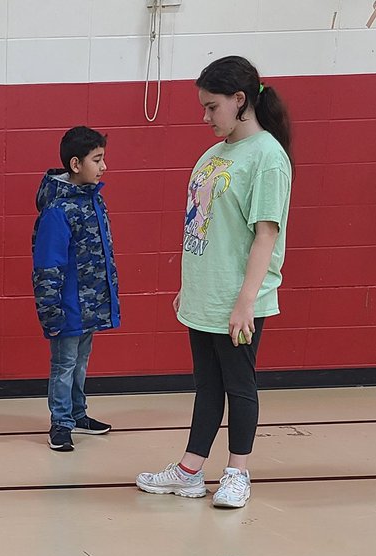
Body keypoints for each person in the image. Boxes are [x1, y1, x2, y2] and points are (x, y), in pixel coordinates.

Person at [136, 56, 293, 509]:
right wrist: (191, 283)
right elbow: (203, 228)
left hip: (237, 299)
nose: (205, 117)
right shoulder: (213, 155)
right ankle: (189, 470)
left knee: (239, 386)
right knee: (207, 385)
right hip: (205, 294)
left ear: (240, 101)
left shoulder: (267, 158)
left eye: (212, 107)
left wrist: (246, 302)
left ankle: (237, 473)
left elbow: (266, 235)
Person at [31, 125, 120, 452]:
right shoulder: (58, 210)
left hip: (88, 305)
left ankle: (78, 414)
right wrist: (51, 311)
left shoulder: (92, 200)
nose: (103, 166)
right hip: (68, 307)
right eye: (97, 160)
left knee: (80, 362)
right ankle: (61, 423)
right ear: (75, 164)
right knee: (64, 364)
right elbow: (48, 266)